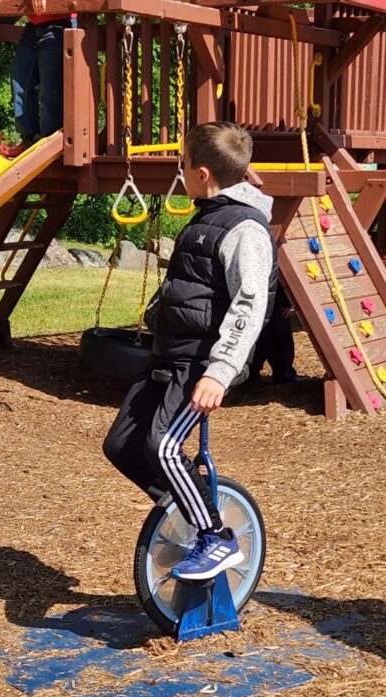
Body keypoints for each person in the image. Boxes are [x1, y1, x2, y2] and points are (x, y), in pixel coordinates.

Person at [103, 122, 278, 582]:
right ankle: (192, 508)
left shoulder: (245, 230)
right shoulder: (210, 213)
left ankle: (218, 538)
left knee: (163, 445)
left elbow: (249, 302)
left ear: (201, 173)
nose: (180, 171)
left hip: (204, 362)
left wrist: (220, 372)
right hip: (171, 353)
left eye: (183, 164)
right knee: (122, 445)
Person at [0, 0, 74, 157]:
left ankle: (52, 146)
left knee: (50, 90)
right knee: (20, 83)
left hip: (56, 25)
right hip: (32, 27)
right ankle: (29, 142)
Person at [249, 277, 308, 385]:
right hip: (272, 296)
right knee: (276, 336)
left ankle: (252, 374)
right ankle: (283, 374)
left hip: (270, 296)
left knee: (264, 336)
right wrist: (288, 301)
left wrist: (289, 301)